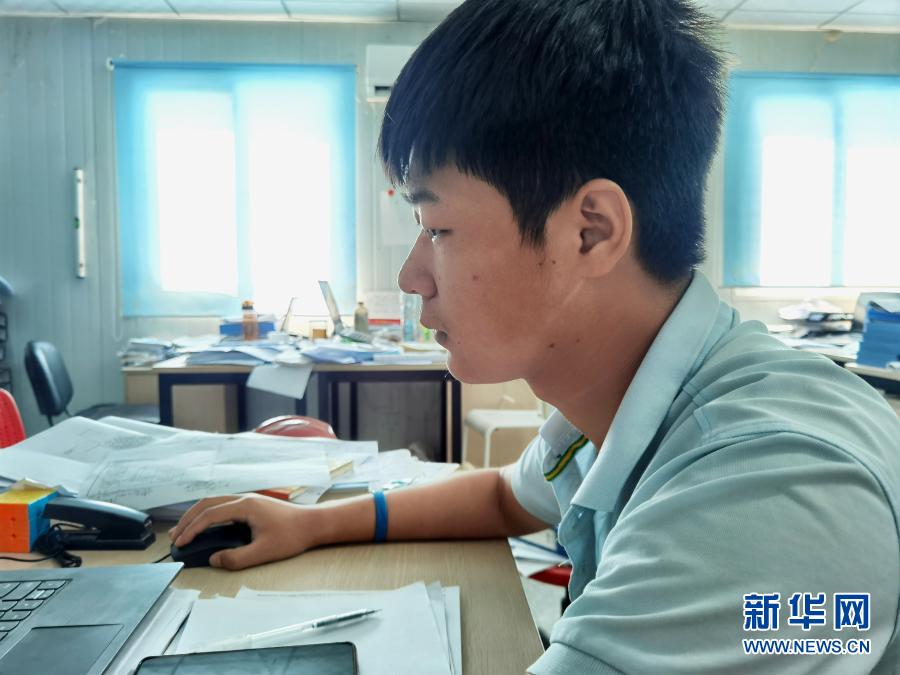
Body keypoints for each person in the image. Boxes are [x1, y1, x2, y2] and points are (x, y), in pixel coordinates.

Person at [170, 1, 900, 671]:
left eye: (437, 227)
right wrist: (312, 524)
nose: (412, 275)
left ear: (591, 232)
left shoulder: (766, 490)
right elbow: (503, 497)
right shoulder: (618, 396)